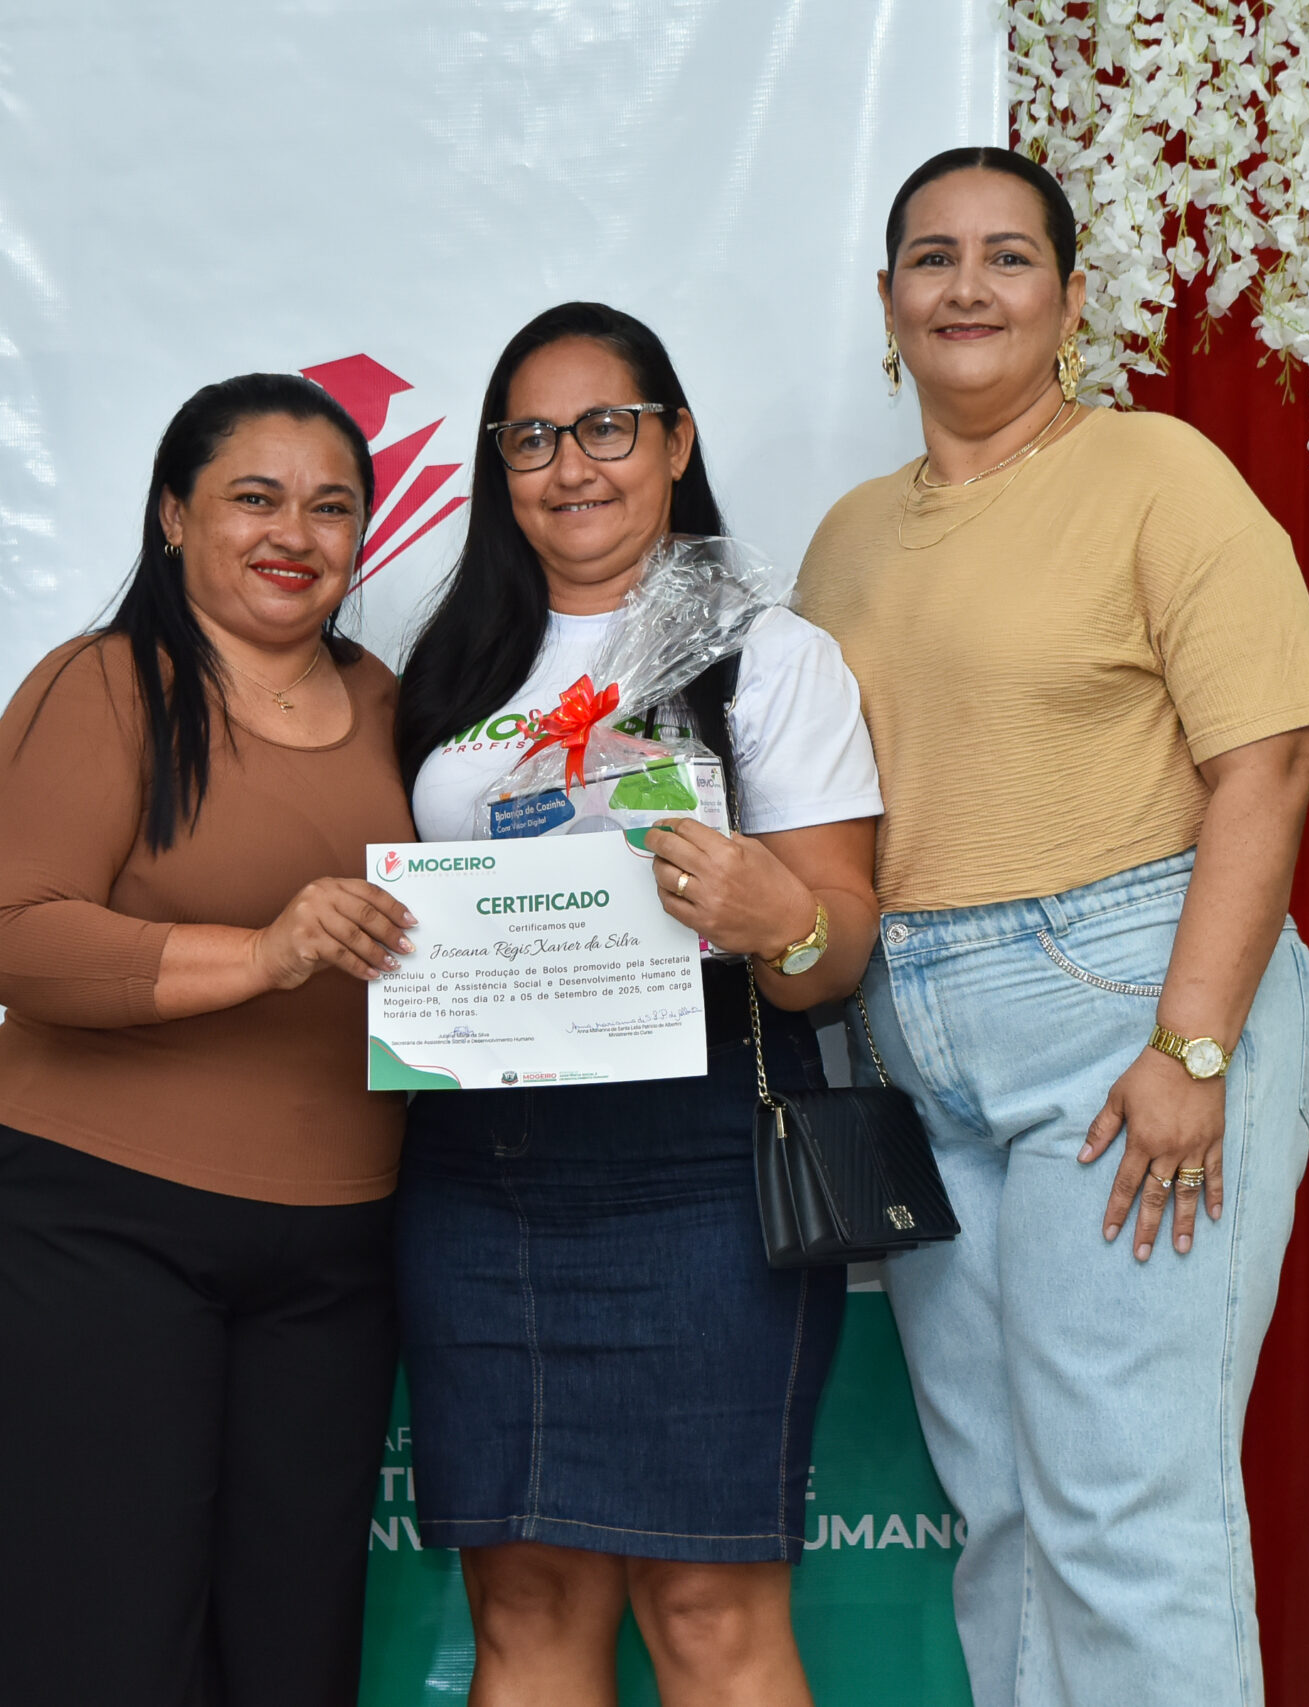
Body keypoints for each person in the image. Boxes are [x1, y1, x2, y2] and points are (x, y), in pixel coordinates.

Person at [794, 148, 1309, 1707]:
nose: (967, 287)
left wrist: (1194, 1046)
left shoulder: (1158, 472)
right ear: (887, 301)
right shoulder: (847, 539)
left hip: (1126, 1008)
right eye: (933, 258)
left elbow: (1271, 765)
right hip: (920, 1050)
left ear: (1073, 298)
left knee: (1124, 1514)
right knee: (1010, 1520)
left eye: (1008, 256)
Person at [393, 301, 884, 1707]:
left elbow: (836, 949)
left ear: (675, 442)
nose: (572, 466)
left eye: (607, 427)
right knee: (526, 1602)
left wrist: (772, 914)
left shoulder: (768, 655)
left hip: (701, 1164)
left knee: (708, 1610)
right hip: (477, 1170)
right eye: (533, 438)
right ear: (500, 467)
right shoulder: (451, 664)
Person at [0, 373, 418, 1707]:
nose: (294, 534)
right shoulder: (100, 684)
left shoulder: (397, 705)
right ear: (172, 517)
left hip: (337, 1256)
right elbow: (9, 937)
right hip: (89, 1226)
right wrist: (262, 954)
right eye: (254, 498)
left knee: (289, 1662)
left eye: (332, 507)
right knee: (87, 1656)